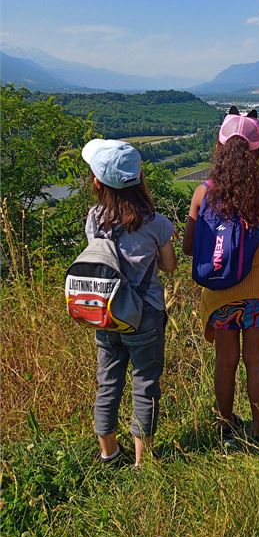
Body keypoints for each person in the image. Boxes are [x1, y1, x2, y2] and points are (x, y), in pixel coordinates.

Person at [183, 109, 259, 444]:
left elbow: (188, 247)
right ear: (257, 150)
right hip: (258, 286)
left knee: (225, 361)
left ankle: (225, 426)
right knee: (256, 360)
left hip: (219, 287)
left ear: (219, 146)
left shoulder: (204, 191)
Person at [82, 138, 177, 467]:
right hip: (144, 314)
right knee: (145, 381)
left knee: (107, 381)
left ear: (98, 183)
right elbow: (169, 266)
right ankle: (143, 460)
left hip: (105, 311)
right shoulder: (157, 223)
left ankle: (108, 451)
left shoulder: (94, 219)